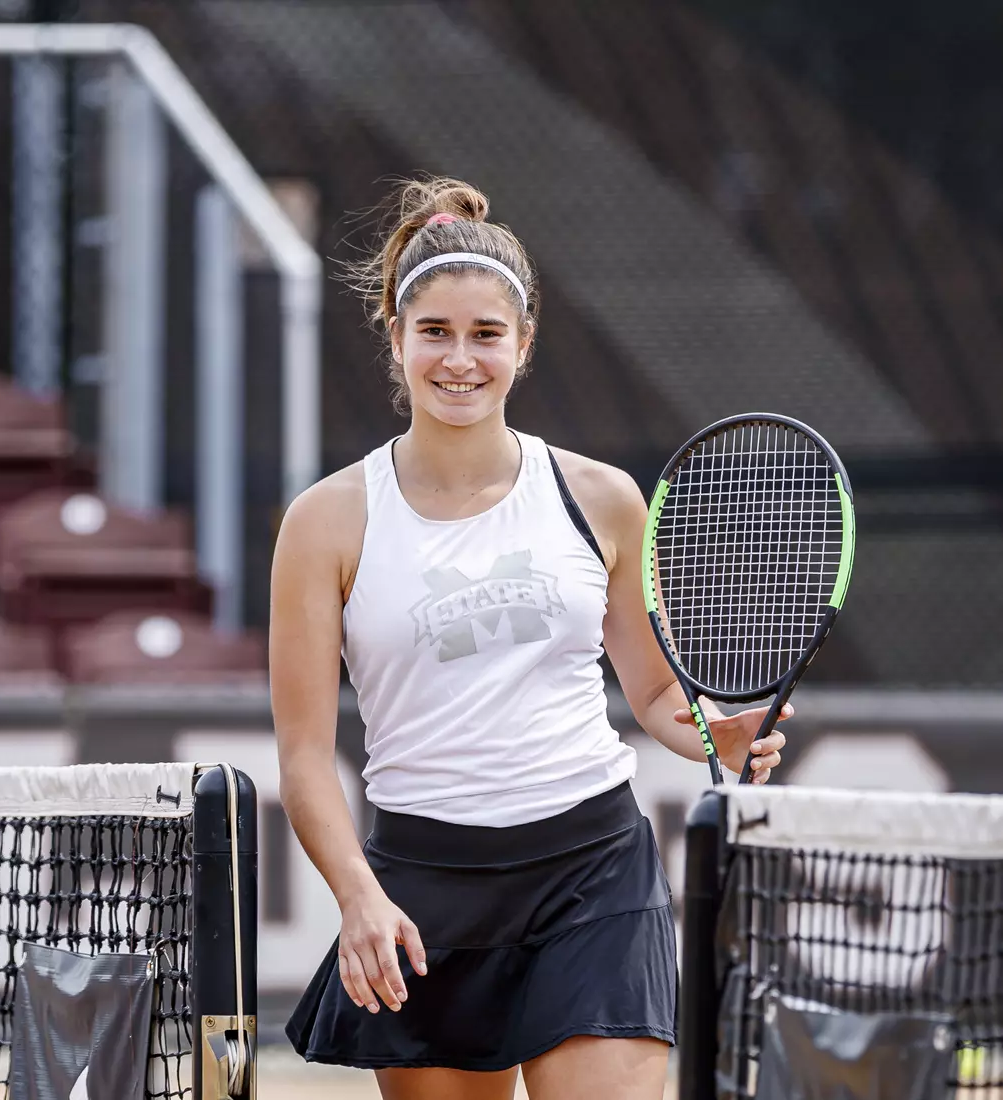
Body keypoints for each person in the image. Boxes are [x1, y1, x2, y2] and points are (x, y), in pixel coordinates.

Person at [272, 178, 788, 1100]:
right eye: (434, 332)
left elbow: (660, 695)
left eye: (485, 335)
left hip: (592, 875)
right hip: (422, 892)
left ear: (524, 345)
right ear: (396, 337)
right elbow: (307, 756)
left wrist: (717, 732)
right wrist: (357, 894)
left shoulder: (601, 498)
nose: (459, 359)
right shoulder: (326, 521)